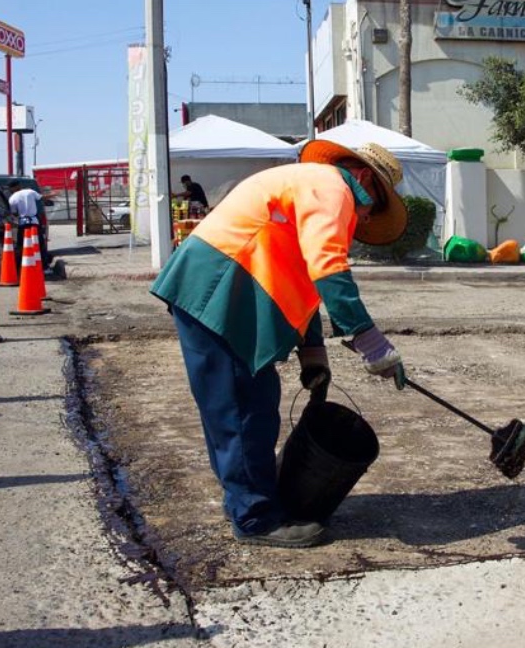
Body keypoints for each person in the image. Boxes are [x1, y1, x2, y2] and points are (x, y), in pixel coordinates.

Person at [150, 141, 408, 549]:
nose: (363, 220)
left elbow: (305, 276)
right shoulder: (333, 187)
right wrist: (369, 339)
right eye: (370, 208)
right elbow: (329, 269)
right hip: (222, 288)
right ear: (363, 179)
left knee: (234, 405)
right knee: (244, 408)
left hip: (214, 286)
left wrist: (313, 353)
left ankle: (244, 499)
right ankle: (255, 518)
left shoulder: (308, 184)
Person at [7, 182, 50, 272]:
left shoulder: (12, 198)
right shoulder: (30, 191)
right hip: (34, 222)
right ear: (19, 186)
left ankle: (22, 267)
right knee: (39, 244)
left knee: (21, 245)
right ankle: (44, 267)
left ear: (12, 188)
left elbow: (14, 213)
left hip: (22, 224)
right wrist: (52, 195)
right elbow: (42, 198)